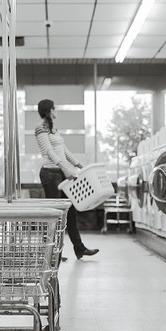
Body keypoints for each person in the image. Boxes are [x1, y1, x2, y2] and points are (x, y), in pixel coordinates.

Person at [35, 99, 99, 260]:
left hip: (61, 173)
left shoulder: (53, 129)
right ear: (49, 110)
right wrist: (65, 168)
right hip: (50, 174)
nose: (57, 110)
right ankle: (52, 254)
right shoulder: (40, 128)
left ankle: (79, 248)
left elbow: (64, 150)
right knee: (55, 215)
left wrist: (79, 165)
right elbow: (49, 151)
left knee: (70, 213)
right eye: (54, 108)